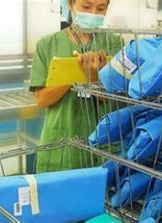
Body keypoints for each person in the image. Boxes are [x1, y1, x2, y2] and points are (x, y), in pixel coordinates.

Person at [29, 0, 123, 173]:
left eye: (101, 8)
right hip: (60, 143)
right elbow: (41, 99)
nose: (93, 13)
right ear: (71, 4)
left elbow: (117, 98)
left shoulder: (114, 43)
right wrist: (75, 74)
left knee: (102, 196)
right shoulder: (47, 44)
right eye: (86, 7)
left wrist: (94, 77)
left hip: (102, 142)